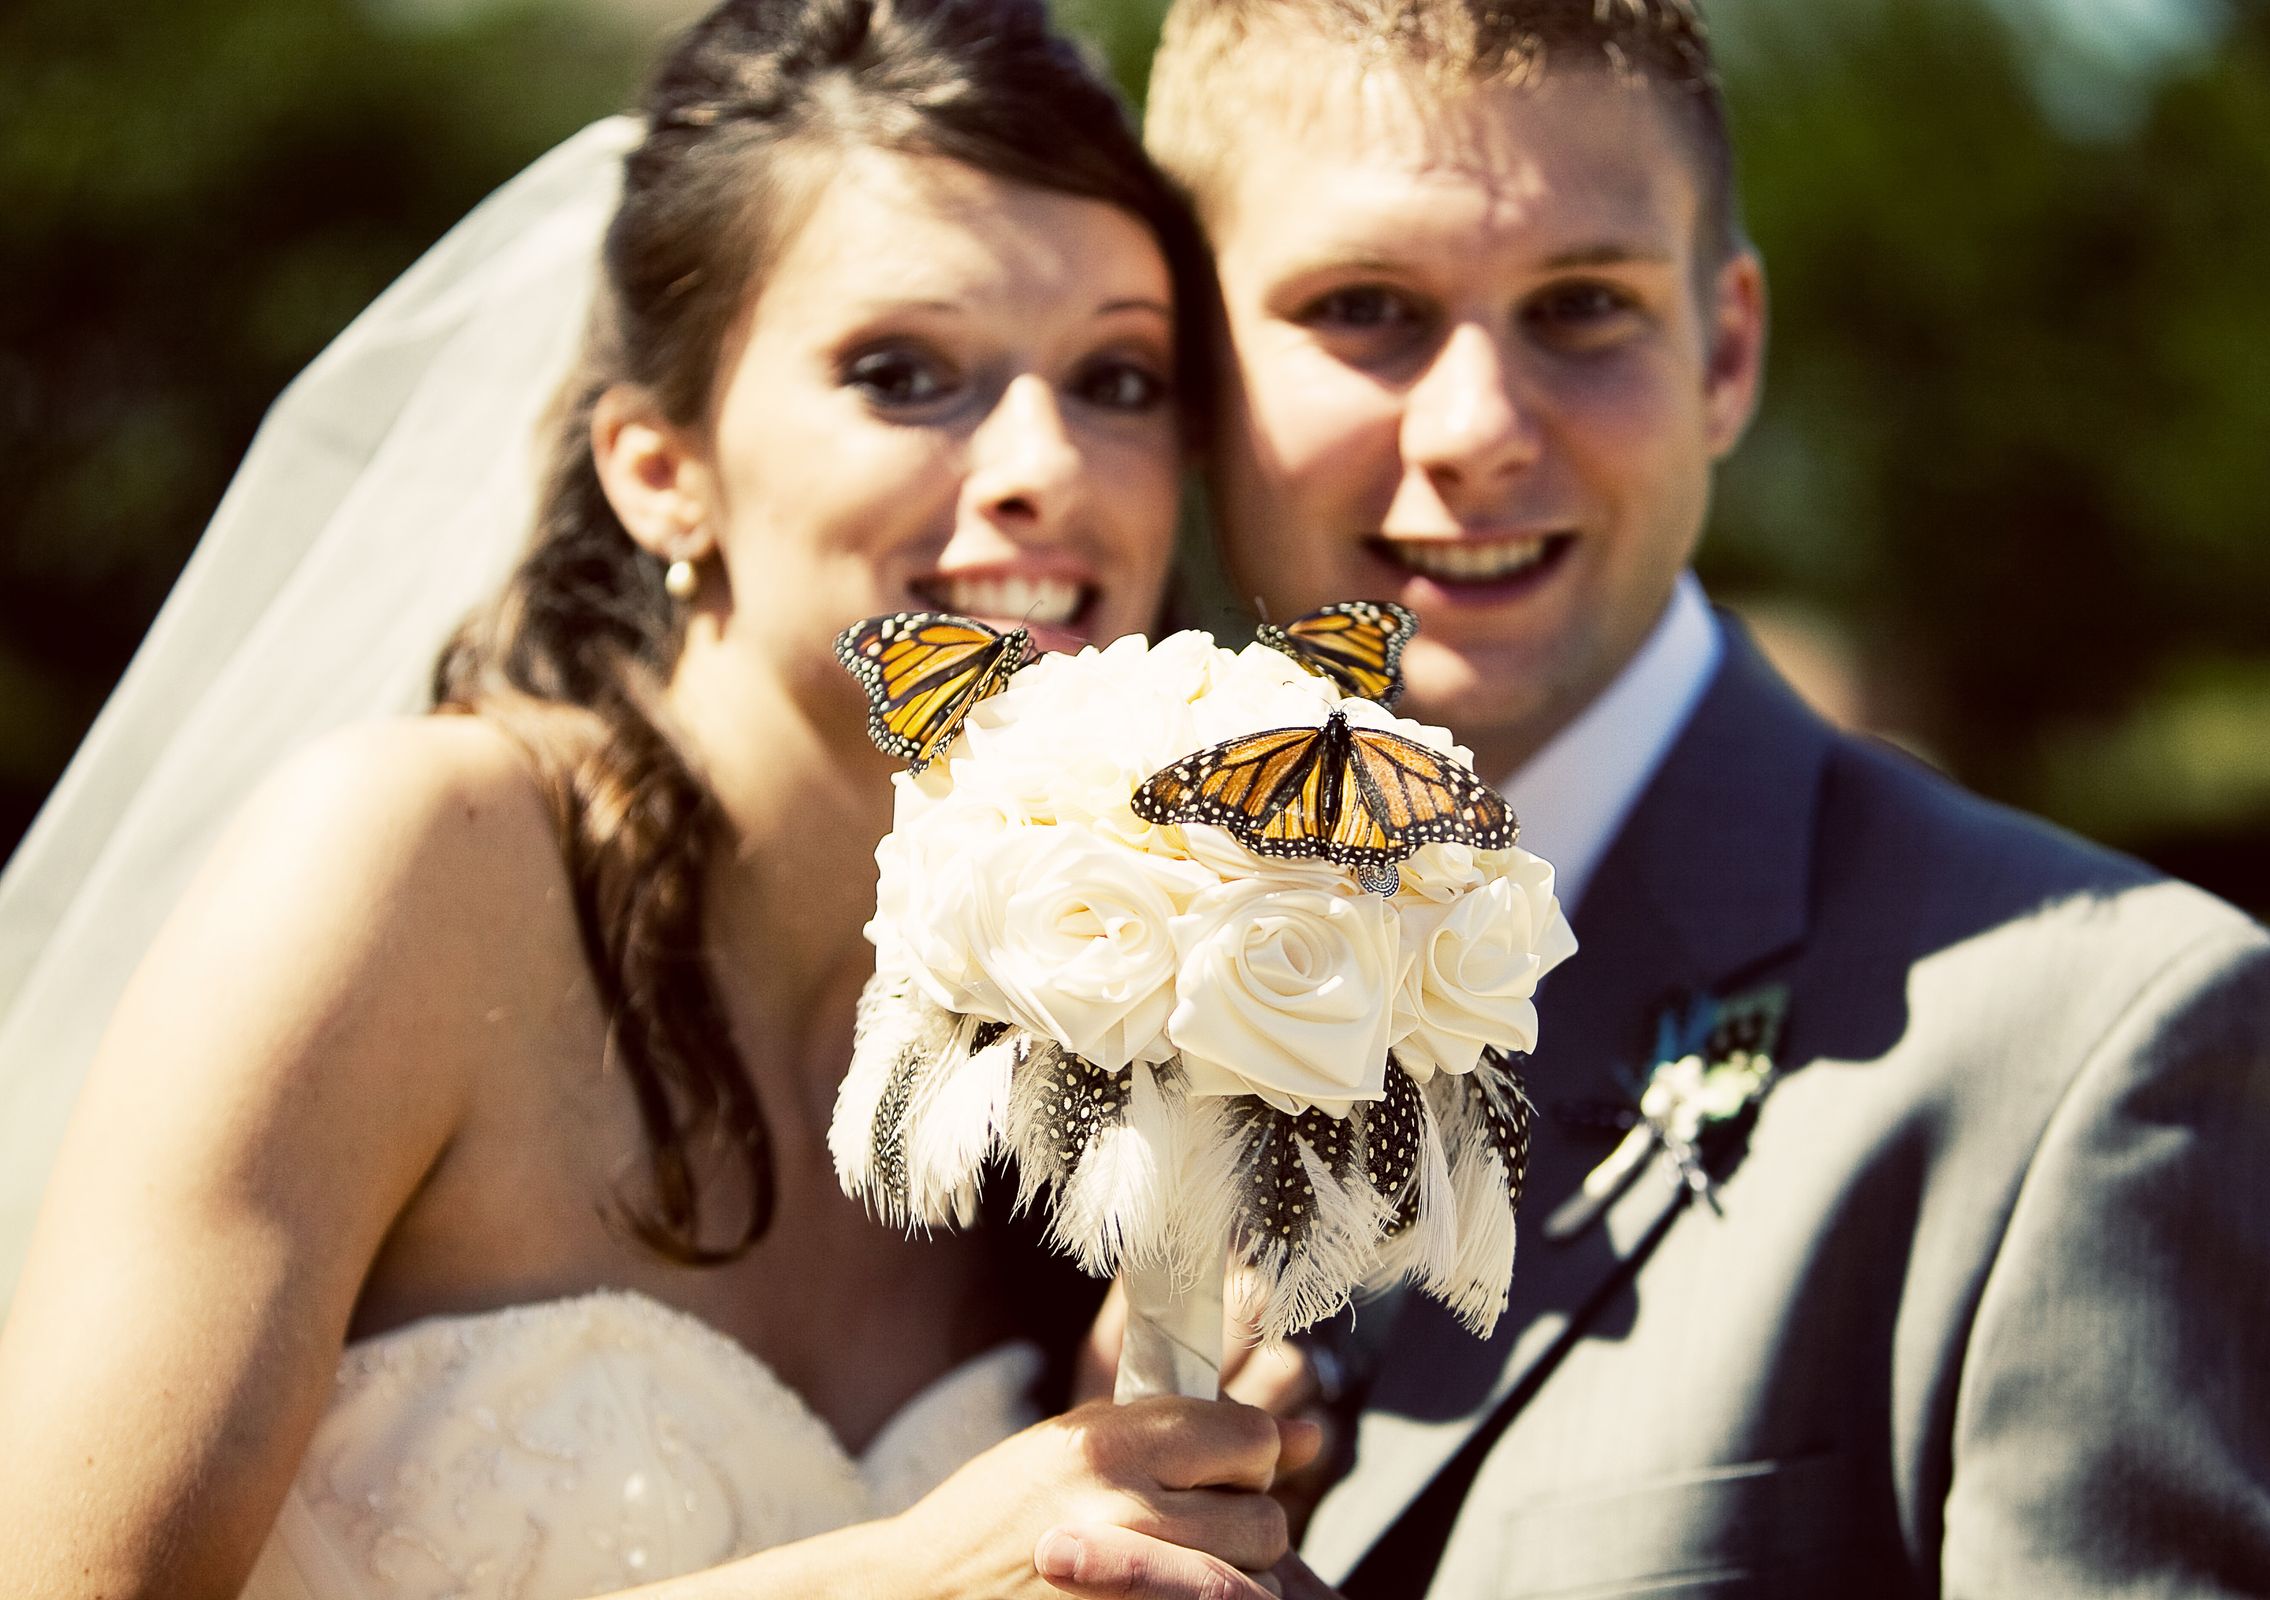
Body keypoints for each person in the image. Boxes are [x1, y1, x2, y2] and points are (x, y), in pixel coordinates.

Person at [0, 2, 1313, 1596]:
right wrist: (896, 1579)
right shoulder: (415, 862)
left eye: (1118, 377)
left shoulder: (1121, 1002)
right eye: (905, 373)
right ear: (655, 467)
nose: (1051, 461)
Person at [1100, 1, 2270, 1595]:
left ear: (1725, 350)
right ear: (1184, 371)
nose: (1480, 429)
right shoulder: (1072, 977)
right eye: (1365, 309)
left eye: (1583, 306)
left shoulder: (2120, 1056)